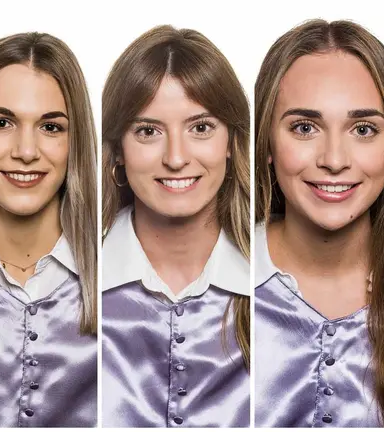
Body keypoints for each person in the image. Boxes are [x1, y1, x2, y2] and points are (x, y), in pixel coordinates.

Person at [254, 19, 384, 427]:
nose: (334, 160)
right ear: (267, 142)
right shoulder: (218, 278)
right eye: (304, 127)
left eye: (363, 129)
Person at [100, 25, 251, 428]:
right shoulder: (71, 277)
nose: (176, 157)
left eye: (200, 128)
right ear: (117, 150)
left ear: (232, 143)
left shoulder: (274, 281)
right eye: (148, 131)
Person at [0, 32, 97, 427]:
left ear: (74, 141)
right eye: (2, 122)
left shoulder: (118, 281)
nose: (26, 151)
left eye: (51, 127)